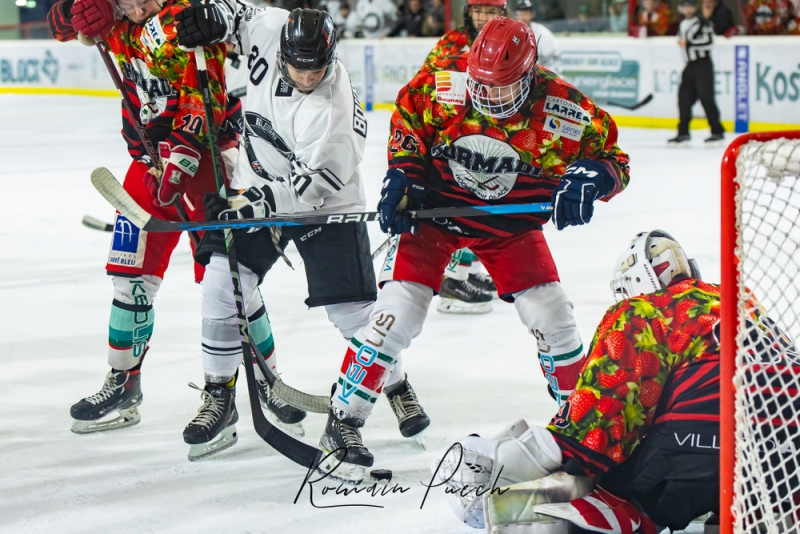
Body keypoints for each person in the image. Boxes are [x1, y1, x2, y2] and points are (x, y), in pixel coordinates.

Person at [317, 16, 631, 484]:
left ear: (530, 76)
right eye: (482, 86)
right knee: (395, 316)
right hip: (436, 218)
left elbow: (615, 160)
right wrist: (404, 177)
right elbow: (407, 121)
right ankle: (342, 419)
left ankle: (578, 417)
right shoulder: (444, 86)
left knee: (553, 315)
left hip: (507, 227)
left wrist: (593, 178)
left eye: (502, 90)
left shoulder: (565, 108)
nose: (487, 99)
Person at [175, 3, 430, 459]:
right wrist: (215, 16)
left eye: (318, 69)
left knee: (355, 316)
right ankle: (219, 395)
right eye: (299, 67)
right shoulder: (272, 28)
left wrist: (244, 206)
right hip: (256, 183)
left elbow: (307, 193)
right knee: (221, 283)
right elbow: (240, 12)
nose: (308, 77)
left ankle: (397, 386)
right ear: (283, 52)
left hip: (326, 206)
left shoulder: (334, 113)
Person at [433, 230, 800, 532]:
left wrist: (535, 455)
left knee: (609, 483)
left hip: (706, 436)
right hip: (789, 449)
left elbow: (602, 415)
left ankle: (543, 513)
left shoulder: (639, 309)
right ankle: (746, 511)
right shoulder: (740, 299)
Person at [48, 0, 241, 435]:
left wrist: (183, 159)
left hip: (205, 159)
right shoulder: (114, 17)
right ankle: (123, 380)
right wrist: (71, 12)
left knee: (228, 277)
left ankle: (238, 385)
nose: (136, 8)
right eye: (125, 0)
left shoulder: (188, 19)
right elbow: (61, 25)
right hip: (146, 163)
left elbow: (204, 97)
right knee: (128, 273)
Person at [421, 0, 511, 315]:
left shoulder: (510, 41)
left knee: (487, 208)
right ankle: (454, 279)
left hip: (490, 145)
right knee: (465, 209)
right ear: (468, 13)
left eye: (492, 11)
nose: (485, 18)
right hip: (453, 145)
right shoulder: (449, 46)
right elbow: (424, 96)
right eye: (479, 11)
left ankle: (466, 271)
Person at [668, 0, 724, 146]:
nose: (687, 9)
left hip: (702, 64)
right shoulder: (683, 23)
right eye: (684, 7)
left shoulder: (703, 22)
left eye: (690, 6)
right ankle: (683, 132)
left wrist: (689, 44)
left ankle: (717, 131)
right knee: (683, 98)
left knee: (706, 97)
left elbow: (710, 42)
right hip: (690, 66)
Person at [515, 0, 559, 68]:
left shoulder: (543, 33)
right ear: (516, 16)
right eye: (520, 14)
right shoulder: (512, 33)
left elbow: (553, 59)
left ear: (532, 15)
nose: (523, 18)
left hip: (541, 74)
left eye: (526, 14)